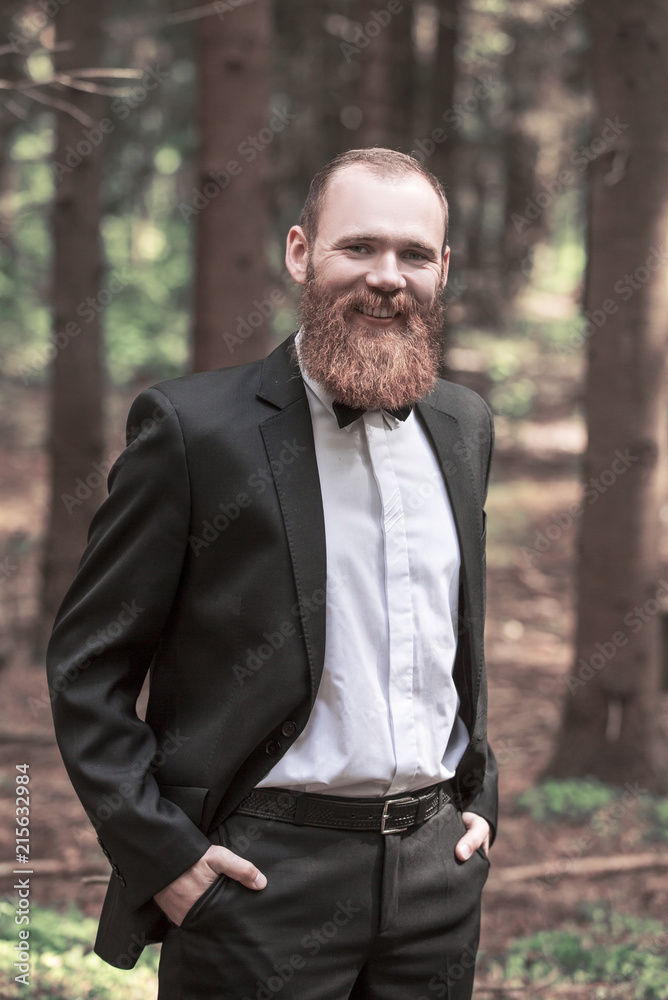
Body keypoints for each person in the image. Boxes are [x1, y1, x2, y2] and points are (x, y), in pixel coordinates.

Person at [47, 147, 497, 1000]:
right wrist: (165, 857)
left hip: (440, 880)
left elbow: (455, 633)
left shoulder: (464, 425)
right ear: (300, 252)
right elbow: (88, 669)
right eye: (357, 247)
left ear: (444, 268)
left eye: (413, 255)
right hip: (255, 884)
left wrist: (482, 799)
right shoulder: (194, 431)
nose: (387, 278)